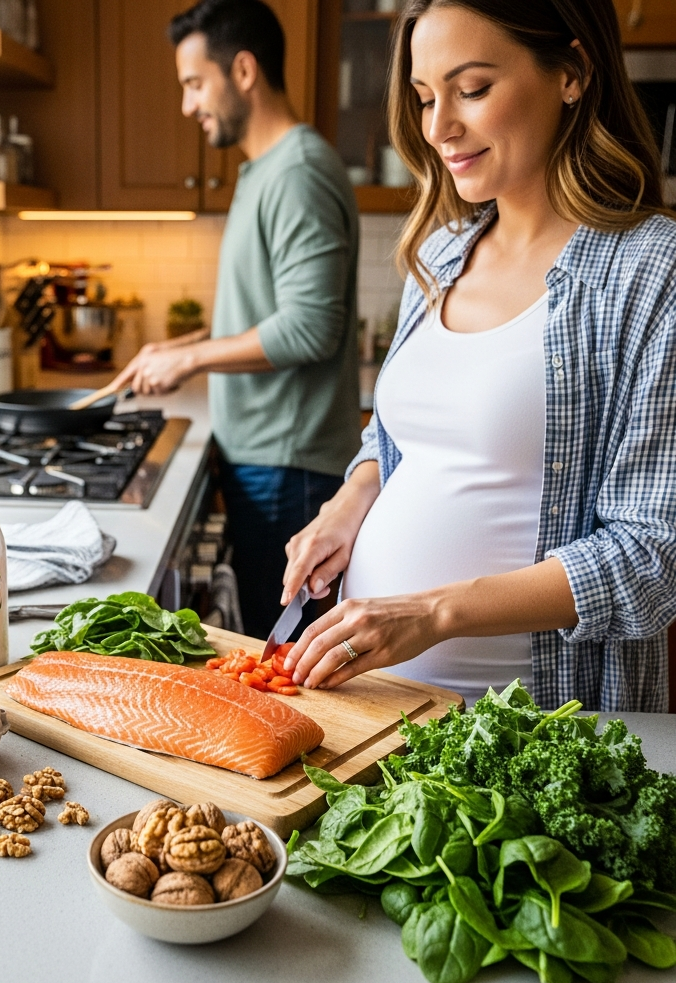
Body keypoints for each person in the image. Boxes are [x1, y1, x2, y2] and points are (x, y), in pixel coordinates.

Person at [281, 0, 676, 712]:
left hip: (533, 725)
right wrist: (350, 501)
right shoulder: (438, 253)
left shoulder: (650, 270)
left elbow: (653, 555)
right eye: (427, 97)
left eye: (472, 89)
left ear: (573, 73)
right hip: (374, 705)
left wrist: (433, 613)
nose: (438, 128)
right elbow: (395, 439)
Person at [107, 0, 360, 641]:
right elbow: (269, 310)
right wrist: (181, 343)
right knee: (273, 651)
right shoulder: (265, 172)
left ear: (243, 70)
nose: (188, 105)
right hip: (267, 461)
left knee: (288, 663)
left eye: (195, 83)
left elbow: (310, 327)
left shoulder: (298, 172)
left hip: (290, 471)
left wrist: (189, 360)